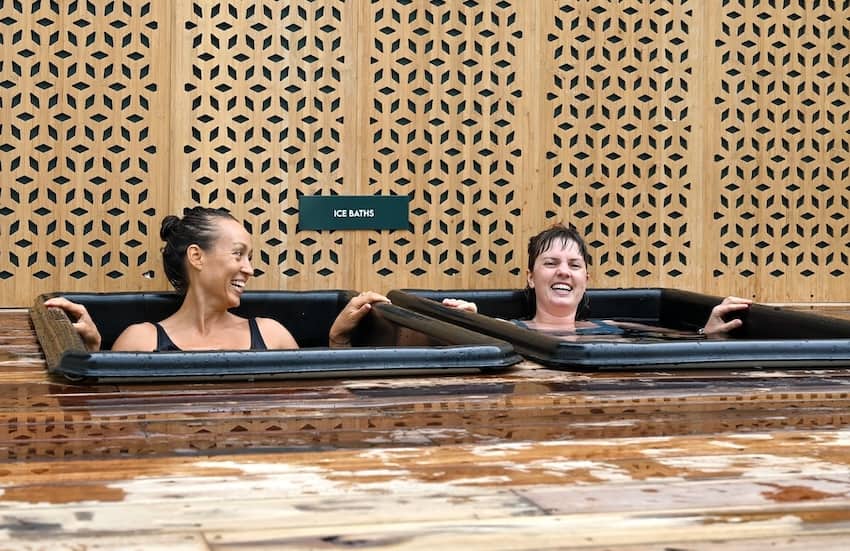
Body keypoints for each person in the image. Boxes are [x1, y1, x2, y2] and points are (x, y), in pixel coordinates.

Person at [44, 207, 389, 351]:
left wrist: (338, 340)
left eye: (250, 258)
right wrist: (89, 354)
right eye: (238, 254)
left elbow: (318, 410)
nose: (249, 269)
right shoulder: (141, 341)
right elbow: (111, 424)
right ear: (197, 257)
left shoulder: (271, 335)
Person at [445, 223, 752, 337]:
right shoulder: (508, 330)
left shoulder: (616, 329)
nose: (563, 271)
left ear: (586, 279)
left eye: (574, 265)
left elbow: (675, 342)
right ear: (530, 277)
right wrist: (473, 323)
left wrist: (706, 332)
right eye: (550, 263)